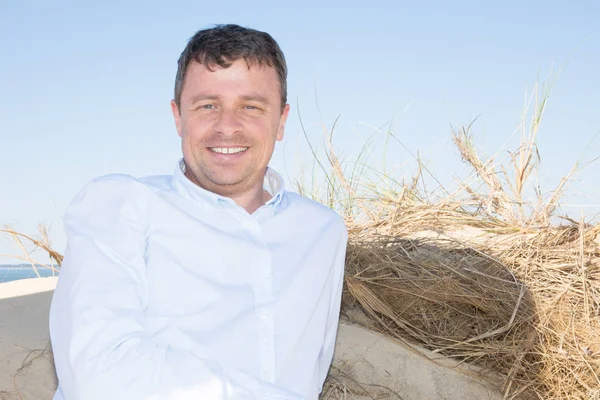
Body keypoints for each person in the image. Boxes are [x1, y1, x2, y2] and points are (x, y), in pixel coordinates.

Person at [49, 24, 348, 400]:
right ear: (178, 117)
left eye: (250, 107)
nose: (227, 126)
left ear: (282, 121)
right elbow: (99, 374)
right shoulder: (121, 205)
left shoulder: (323, 232)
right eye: (207, 105)